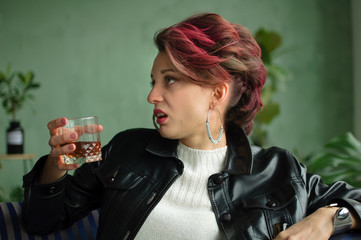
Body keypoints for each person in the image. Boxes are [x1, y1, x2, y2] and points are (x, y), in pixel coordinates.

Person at [22, 12, 361, 240]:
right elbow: (40, 222)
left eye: (170, 81)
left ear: (217, 92)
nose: (152, 95)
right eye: (153, 81)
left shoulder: (279, 171)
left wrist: (330, 217)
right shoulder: (125, 151)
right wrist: (56, 166)